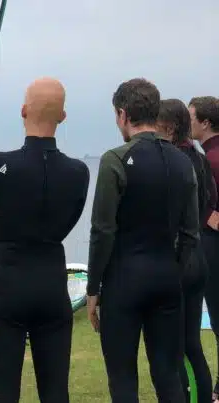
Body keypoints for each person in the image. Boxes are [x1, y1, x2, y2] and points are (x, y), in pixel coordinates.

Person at [0, 77, 90, 402]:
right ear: (62, 116)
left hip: (7, 288)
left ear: (23, 111)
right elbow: (68, 220)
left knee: (3, 392)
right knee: (55, 392)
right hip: (52, 288)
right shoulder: (79, 172)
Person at [86, 78, 199, 402]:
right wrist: (173, 271)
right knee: (168, 376)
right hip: (167, 279)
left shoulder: (115, 159)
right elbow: (190, 232)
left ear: (123, 114)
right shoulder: (183, 161)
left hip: (124, 283)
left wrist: (93, 288)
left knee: (123, 379)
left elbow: (102, 230)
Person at [156, 98, 214, 402]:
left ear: (168, 127)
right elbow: (209, 203)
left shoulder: (171, 162)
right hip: (198, 255)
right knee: (192, 344)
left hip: (177, 259)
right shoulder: (200, 159)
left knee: (172, 347)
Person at [188, 95, 219, 400]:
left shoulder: (209, 159)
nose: (187, 123)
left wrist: (206, 214)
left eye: (191, 117)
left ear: (205, 122)